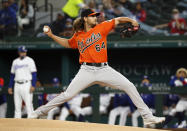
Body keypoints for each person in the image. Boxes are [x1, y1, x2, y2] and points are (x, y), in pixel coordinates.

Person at [29, 9, 165, 126]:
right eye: (92, 16)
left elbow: (118, 20)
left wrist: (132, 21)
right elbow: (68, 44)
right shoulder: (79, 35)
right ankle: (39, 112)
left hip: (104, 69)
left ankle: (147, 117)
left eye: (95, 15)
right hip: (86, 70)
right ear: (85, 18)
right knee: (67, 95)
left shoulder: (102, 27)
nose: (95, 17)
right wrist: (52, 35)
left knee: (129, 86)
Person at [8, 46, 37, 118]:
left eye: (24, 52)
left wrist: (33, 85)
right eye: (22, 52)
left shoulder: (30, 60)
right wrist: (10, 86)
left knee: (29, 104)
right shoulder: (15, 61)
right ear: (19, 52)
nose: (24, 53)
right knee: (17, 106)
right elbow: (12, 75)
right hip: (17, 84)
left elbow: (34, 74)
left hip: (26, 84)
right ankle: (17, 125)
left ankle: (31, 122)